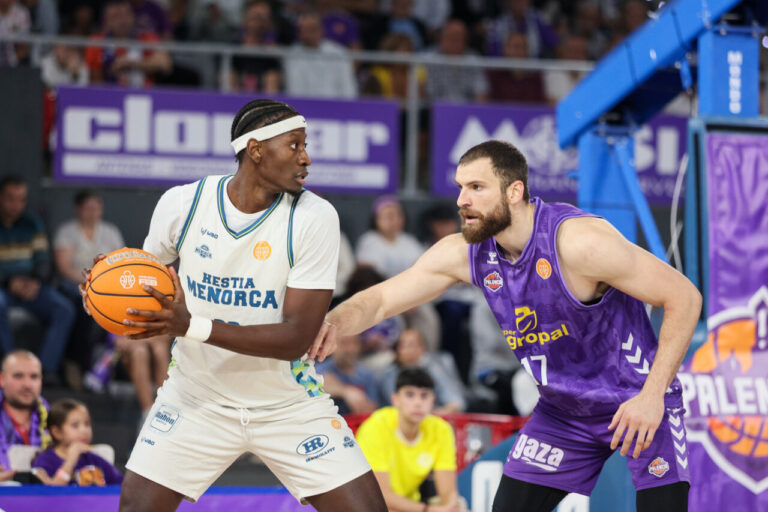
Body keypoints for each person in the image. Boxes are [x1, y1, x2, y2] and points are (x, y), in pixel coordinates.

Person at [315, 139, 701, 511]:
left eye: (476, 187)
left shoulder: (579, 243)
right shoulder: (466, 253)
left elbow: (684, 298)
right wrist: (331, 323)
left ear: (514, 191)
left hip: (636, 399)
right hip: (563, 413)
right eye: (460, 187)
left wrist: (652, 397)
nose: (461, 200)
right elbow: (382, 299)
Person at [83, 99, 387, 511]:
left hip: (287, 403)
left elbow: (295, 339)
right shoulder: (183, 204)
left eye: (305, 145)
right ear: (256, 149)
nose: (306, 158)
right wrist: (102, 296)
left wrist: (192, 325)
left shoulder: (315, 217)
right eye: (294, 145)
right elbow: (141, 289)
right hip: (195, 398)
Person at [0, 177, 75, 382]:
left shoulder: (32, 223)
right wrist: (9, 282)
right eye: (11, 199)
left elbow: (43, 260)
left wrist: (36, 281)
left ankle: (45, 369)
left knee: (64, 308)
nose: (16, 205)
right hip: (4, 288)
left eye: (21, 199)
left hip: (31, 286)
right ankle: (9, 367)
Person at [357, 367, 463, 512]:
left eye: (424, 396)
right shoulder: (374, 427)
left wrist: (450, 508)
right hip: (369, 507)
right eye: (410, 395)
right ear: (395, 399)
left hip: (413, 506)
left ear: (433, 400)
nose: (418, 403)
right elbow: (381, 497)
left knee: (460, 506)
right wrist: (429, 510)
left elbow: (448, 493)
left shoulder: (441, 429)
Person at [31, 398, 123, 486]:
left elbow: (122, 485)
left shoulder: (95, 460)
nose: (84, 430)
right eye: (75, 425)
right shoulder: (45, 460)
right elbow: (51, 494)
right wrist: (71, 460)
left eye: (87, 424)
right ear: (57, 432)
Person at [377, 329, 466, 415]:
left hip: (432, 420)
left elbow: (456, 401)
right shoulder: (389, 374)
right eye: (403, 345)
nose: (406, 350)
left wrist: (443, 412)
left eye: (411, 345)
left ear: (421, 349)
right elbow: (397, 407)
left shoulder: (433, 369)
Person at [0, 350, 50, 482]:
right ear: (2, 379)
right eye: (18, 376)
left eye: (34, 377)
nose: (27, 384)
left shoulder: (58, 420)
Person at [315, 333, 378, 415]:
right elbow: (316, 387)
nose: (350, 349)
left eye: (355, 343)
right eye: (344, 343)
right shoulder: (320, 369)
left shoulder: (366, 374)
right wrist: (345, 392)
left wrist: (335, 387)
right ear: (332, 346)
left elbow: (371, 407)